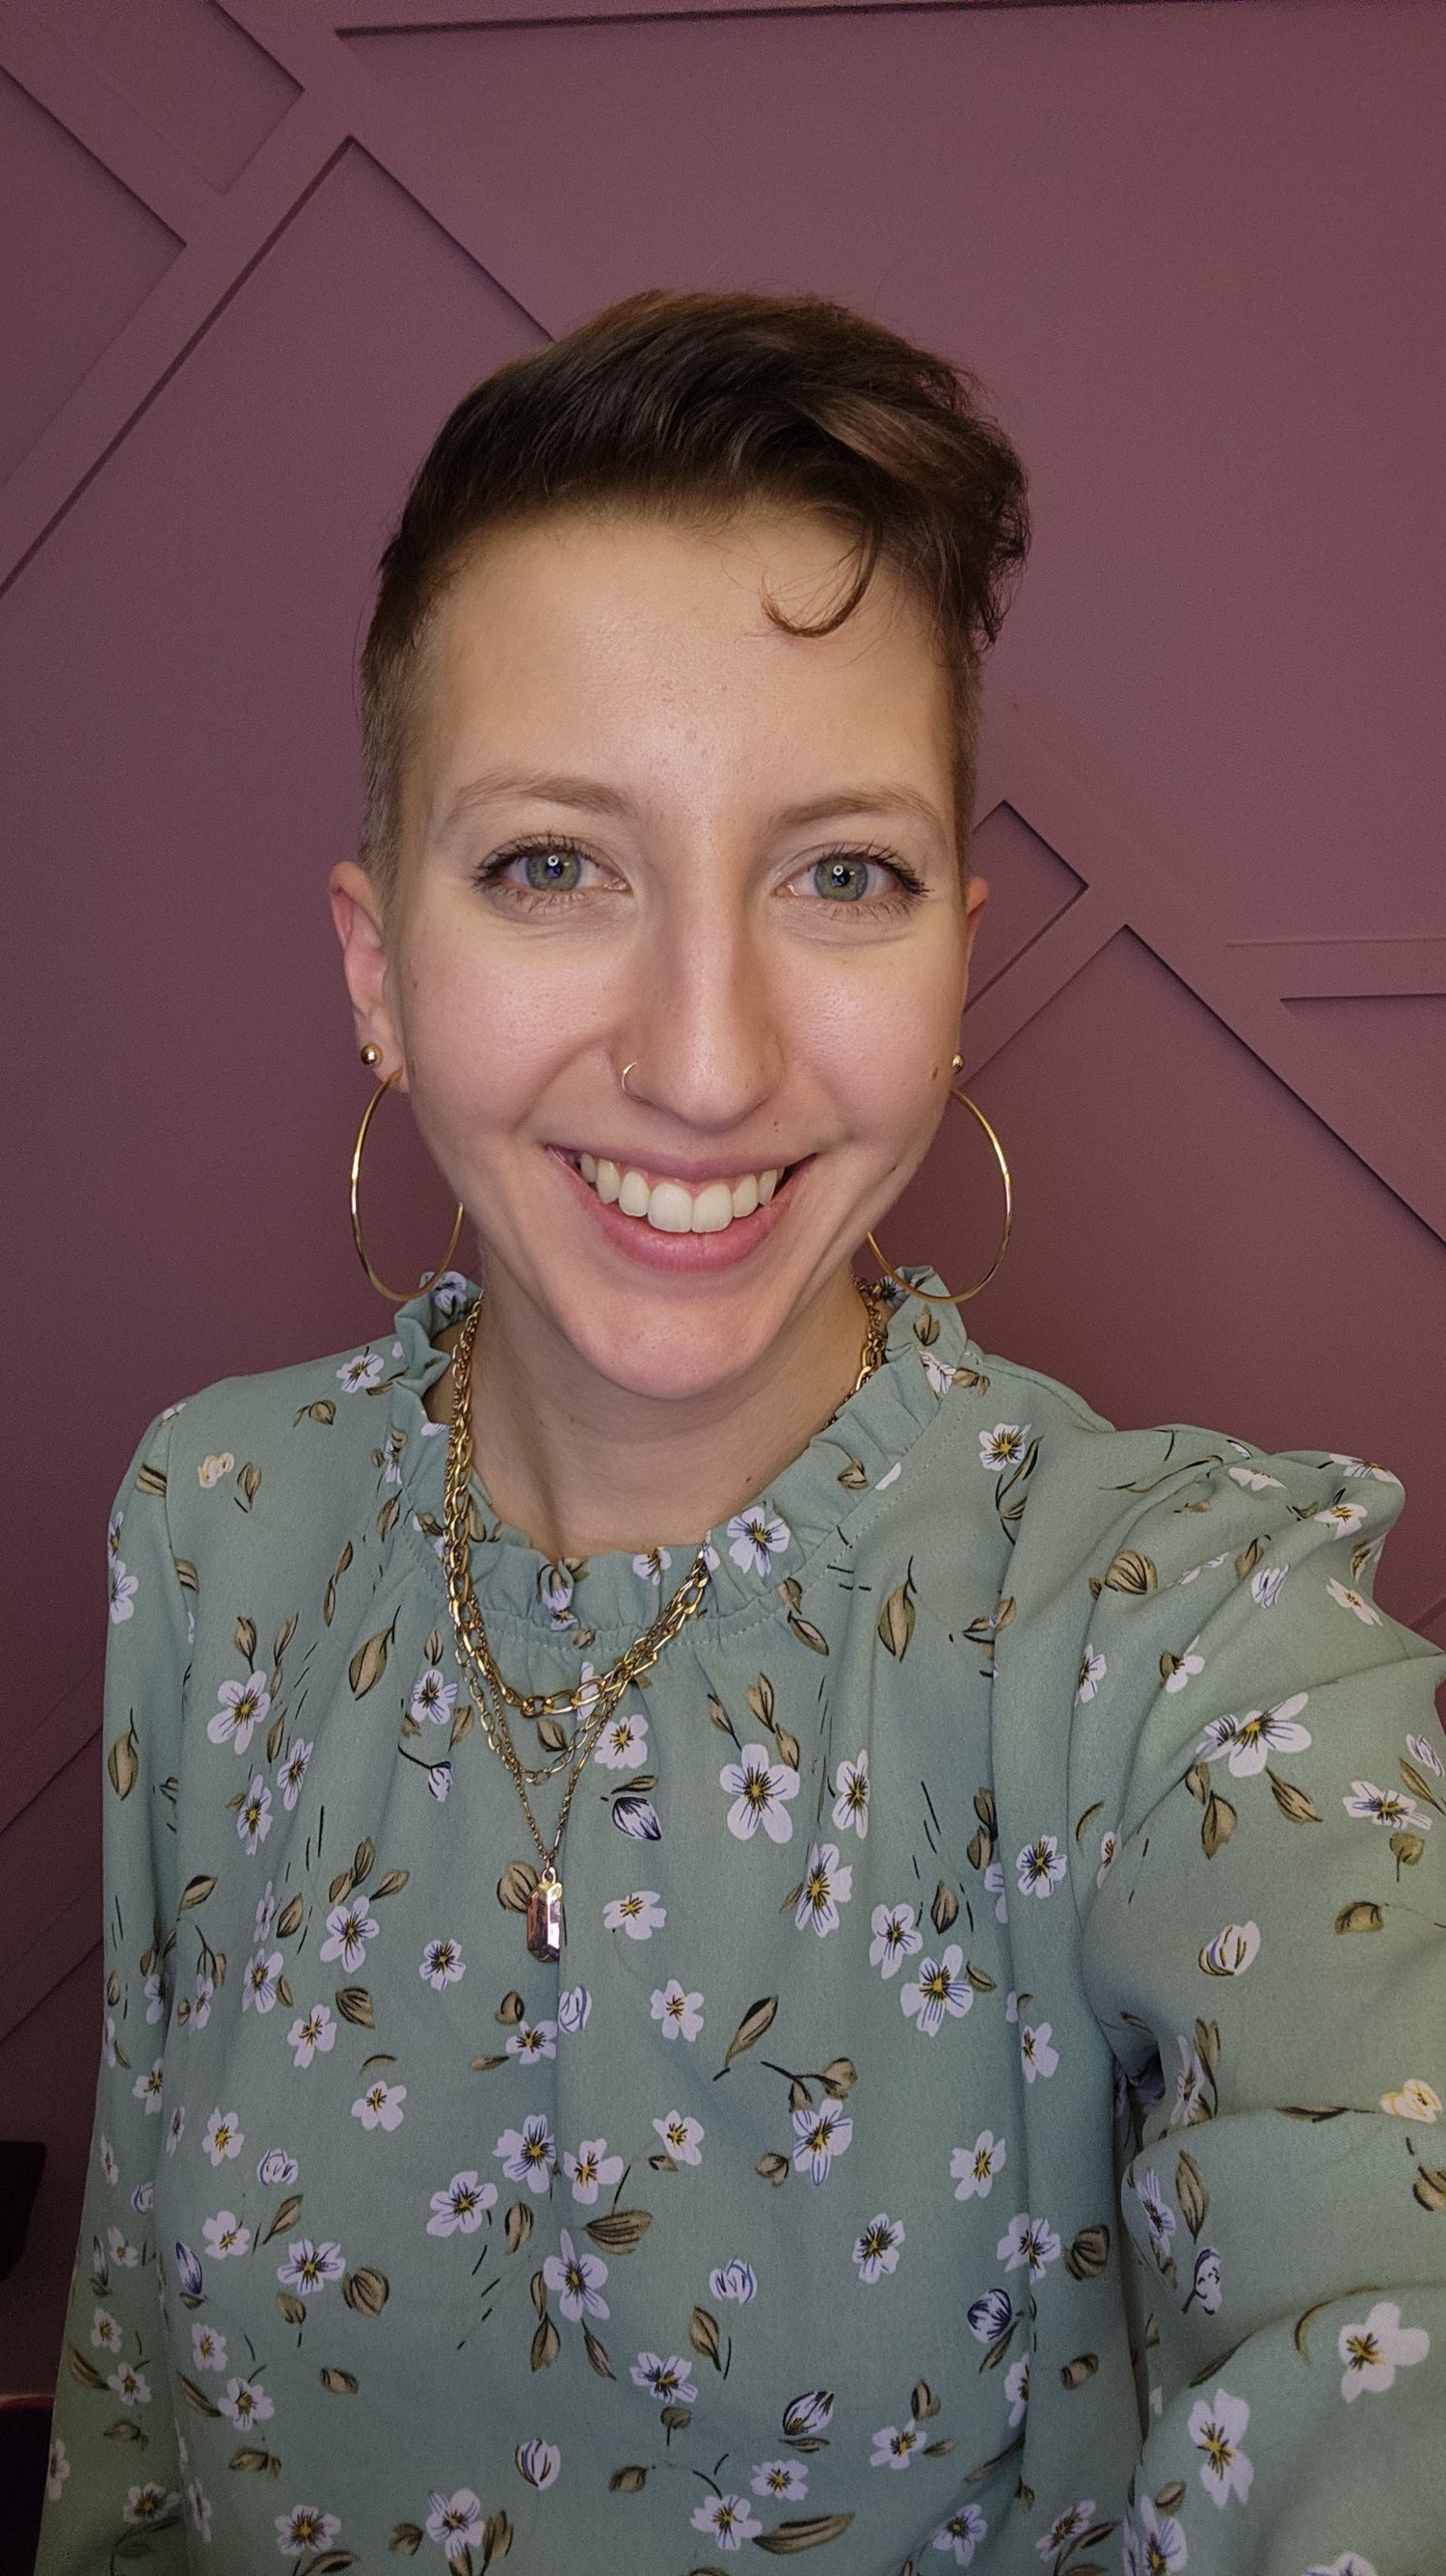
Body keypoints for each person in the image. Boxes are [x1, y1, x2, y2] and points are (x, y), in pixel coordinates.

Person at [37, 287, 1444, 2576]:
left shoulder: (1172, 1641)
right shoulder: (217, 1522)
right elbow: (133, 2423)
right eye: (553, 864)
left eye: (843, 873)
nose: (706, 1060)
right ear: (376, 961)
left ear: (957, 951)